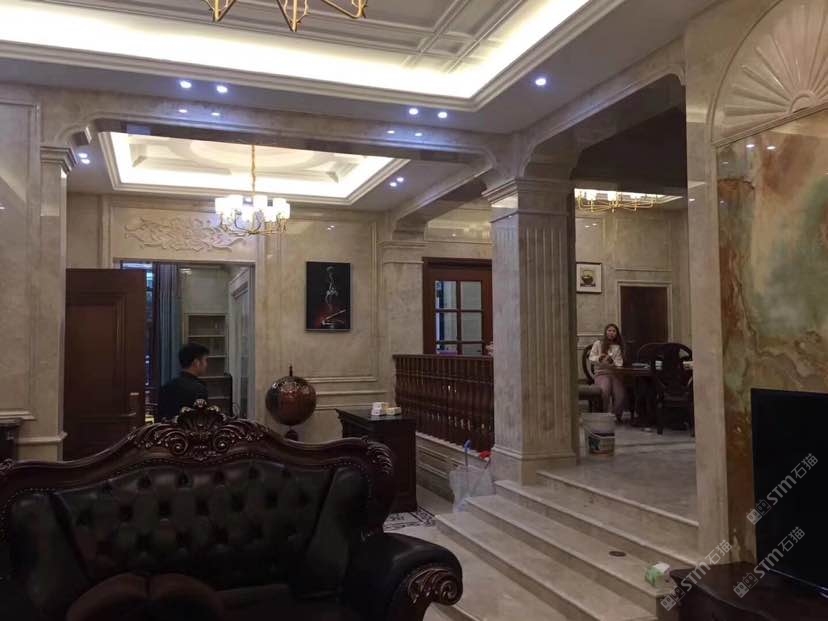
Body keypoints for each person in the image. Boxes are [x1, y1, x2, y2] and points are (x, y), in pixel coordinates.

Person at [157, 343, 210, 421]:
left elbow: (160, 418)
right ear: (196, 362)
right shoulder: (200, 389)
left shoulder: (166, 387)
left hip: (169, 428)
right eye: (205, 360)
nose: (206, 364)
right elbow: (201, 421)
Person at [589, 323, 625, 422]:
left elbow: (619, 363)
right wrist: (599, 358)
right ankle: (604, 415)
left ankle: (616, 415)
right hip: (601, 373)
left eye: (614, 331)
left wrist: (612, 362)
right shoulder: (598, 343)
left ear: (616, 333)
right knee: (605, 390)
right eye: (609, 330)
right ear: (605, 332)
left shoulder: (618, 347)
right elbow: (591, 358)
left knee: (620, 394)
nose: (611, 333)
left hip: (614, 374)